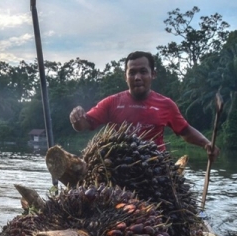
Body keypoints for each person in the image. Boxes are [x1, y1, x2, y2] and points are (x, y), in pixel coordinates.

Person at [69, 51, 219, 160]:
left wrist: (206, 143)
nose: (137, 77)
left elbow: (185, 131)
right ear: (125, 76)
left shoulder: (166, 105)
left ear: (153, 74)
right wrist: (76, 118)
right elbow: (84, 125)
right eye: (132, 73)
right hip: (119, 167)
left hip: (155, 167)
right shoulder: (112, 102)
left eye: (143, 72)